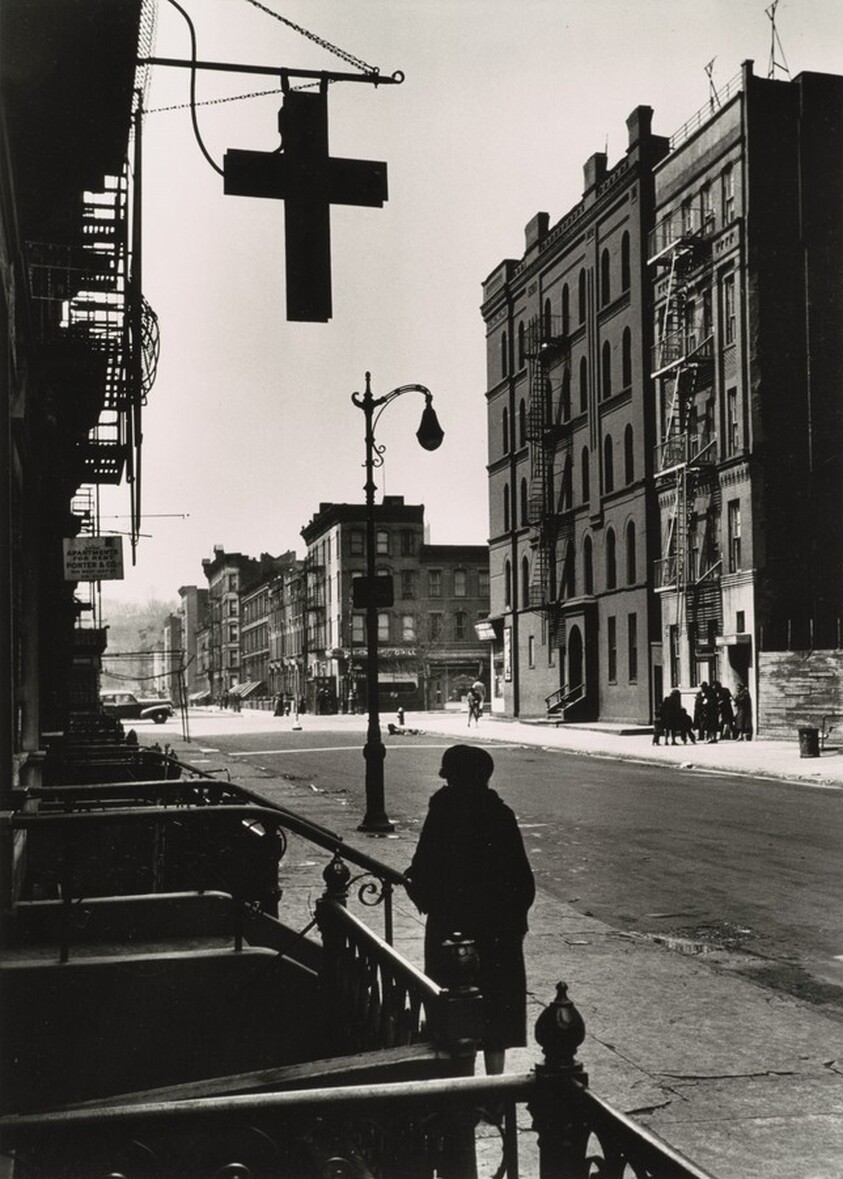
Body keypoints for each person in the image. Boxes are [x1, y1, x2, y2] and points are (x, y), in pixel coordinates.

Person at [405, 745, 535, 1076]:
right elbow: (522, 880)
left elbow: (423, 868)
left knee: (453, 1012)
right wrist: (514, 922)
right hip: (497, 931)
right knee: (496, 1014)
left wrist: (422, 893)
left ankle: (462, 1085)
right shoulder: (500, 814)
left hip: (451, 927)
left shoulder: (443, 810)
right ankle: (495, 1090)